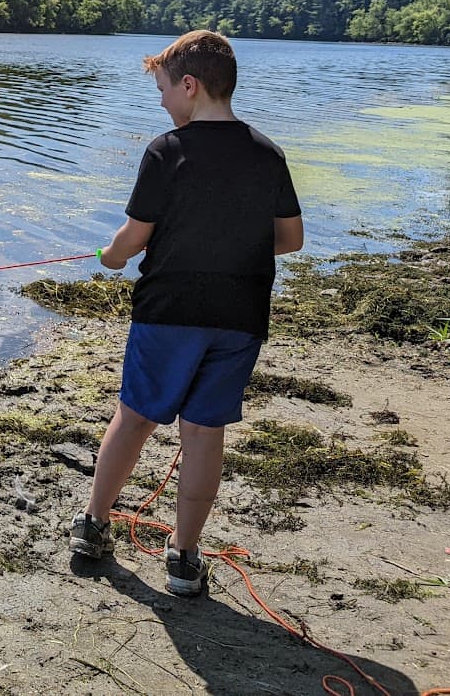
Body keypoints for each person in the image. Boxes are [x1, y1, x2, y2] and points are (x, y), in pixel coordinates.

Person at [67, 30, 303, 596]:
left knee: (136, 417)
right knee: (204, 432)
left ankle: (96, 525)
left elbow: (133, 236)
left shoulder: (166, 150)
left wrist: (111, 257)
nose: (163, 102)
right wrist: (230, 244)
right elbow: (290, 239)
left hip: (169, 312)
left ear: (190, 86)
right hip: (240, 316)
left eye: (164, 90)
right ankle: (184, 557)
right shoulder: (268, 153)